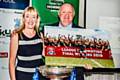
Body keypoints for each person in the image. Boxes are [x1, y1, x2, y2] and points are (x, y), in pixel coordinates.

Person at [46, 3, 92, 80]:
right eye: (63, 12)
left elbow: (88, 54)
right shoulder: (48, 30)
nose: (66, 15)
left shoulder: (83, 32)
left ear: (73, 15)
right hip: (54, 76)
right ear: (59, 14)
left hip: (75, 76)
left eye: (69, 12)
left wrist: (89, 63)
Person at [9, 6, 47, 80]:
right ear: (23, 19)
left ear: (37, 19)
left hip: (39, 76)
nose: (30, 20)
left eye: (33, 17)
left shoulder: (40, 35)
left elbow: (44, 55)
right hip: (22, 76)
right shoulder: (16, 36)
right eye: (27, 16)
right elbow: (11, 62)